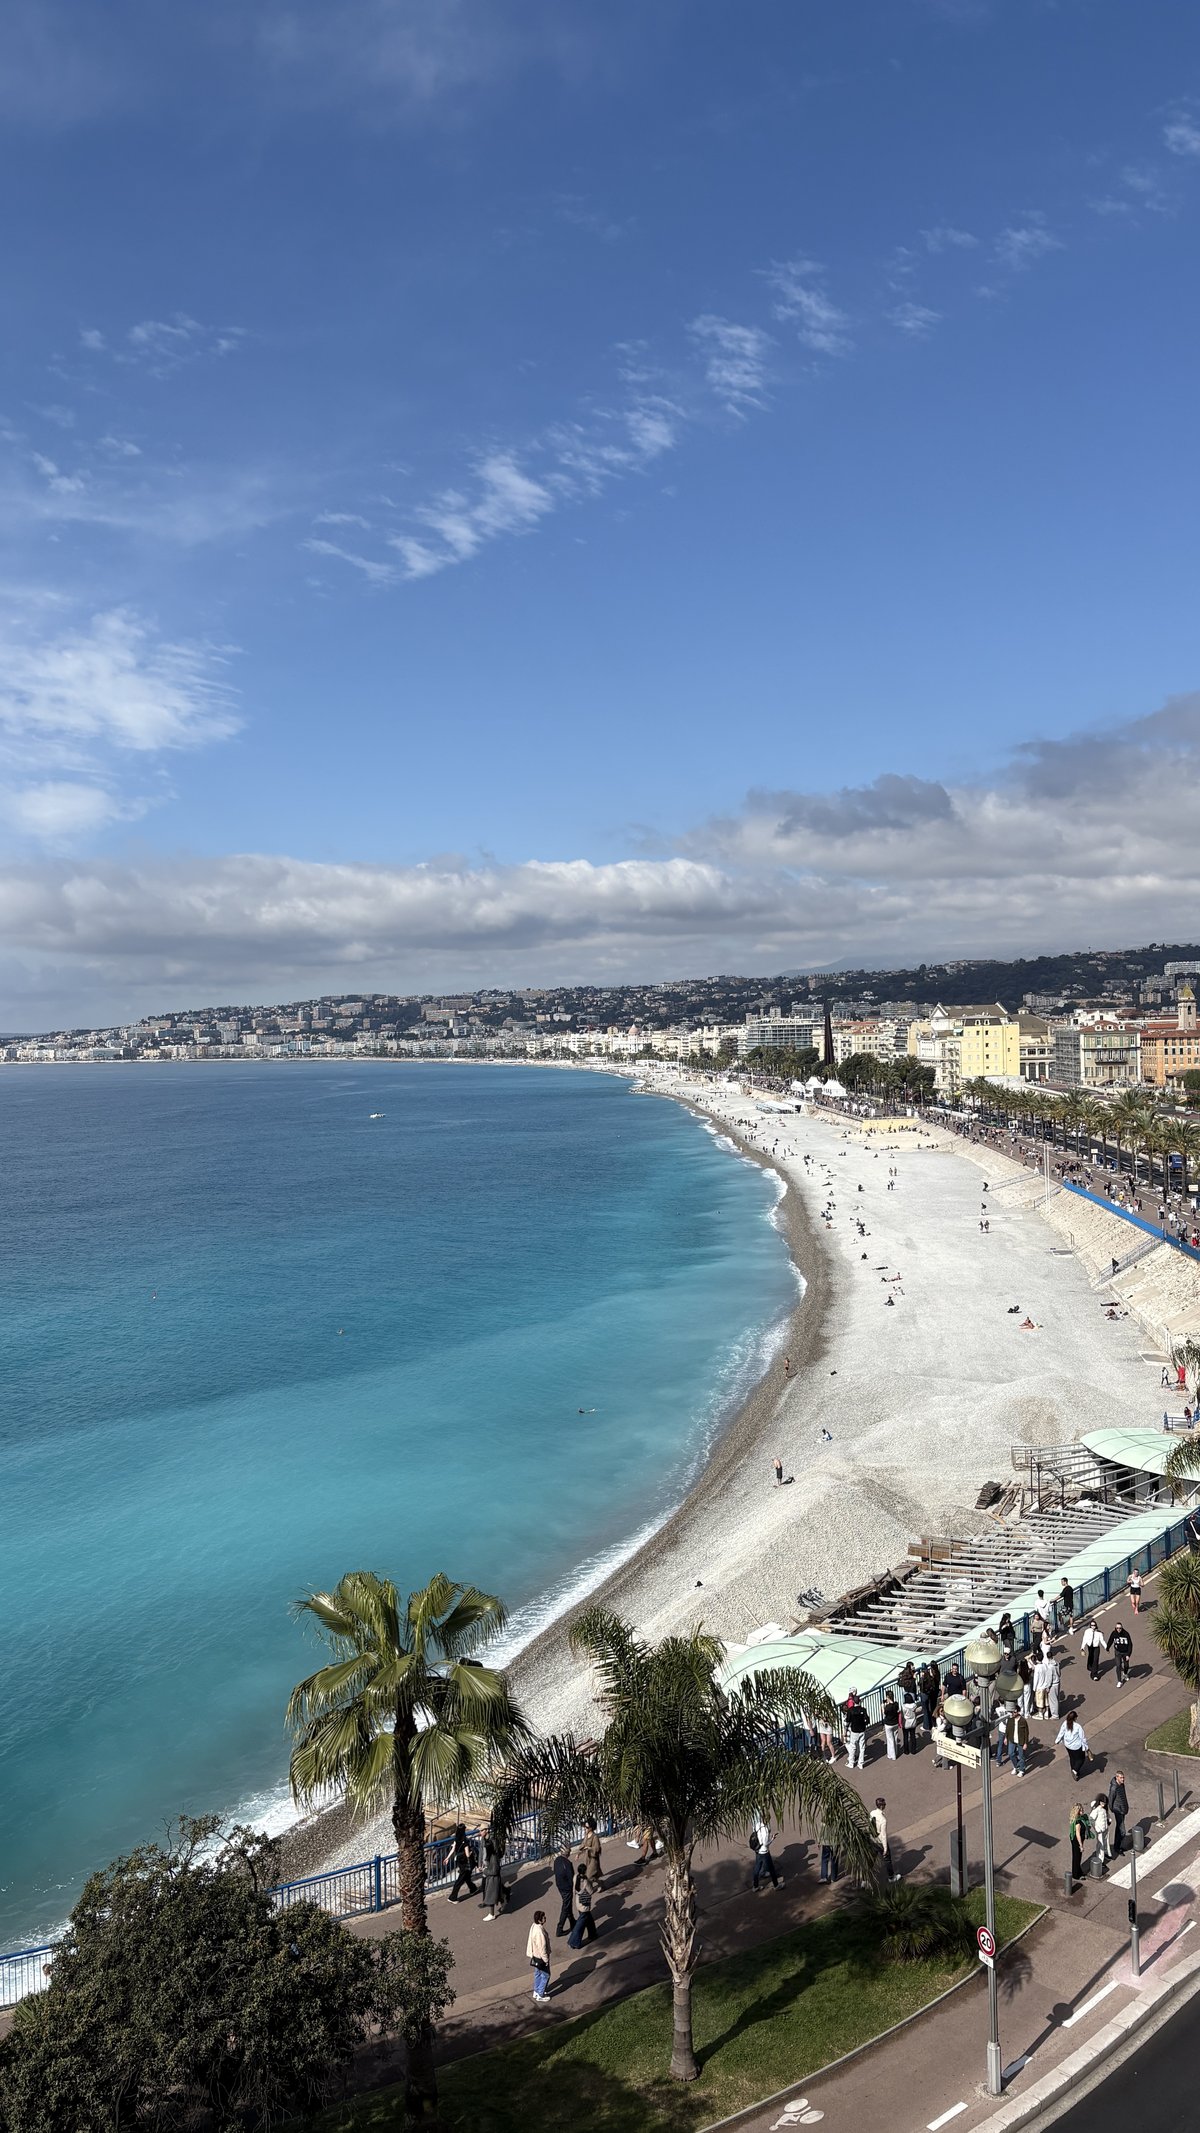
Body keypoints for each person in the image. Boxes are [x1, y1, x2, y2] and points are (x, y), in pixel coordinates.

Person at [567, 1865, 597, 1946]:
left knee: (589, 1920)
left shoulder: (575, 1877)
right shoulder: (585, 1881)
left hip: (578, 1901)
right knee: (580, 1924)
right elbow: (590, 1891)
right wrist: (594, 1886)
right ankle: (574, 1941)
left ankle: (593, 1934)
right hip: (584, 1904)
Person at [751, 1813, 783, 1890]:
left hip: (758, 1850)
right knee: (771, 1869)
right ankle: (776, 1885)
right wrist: (772, 1839)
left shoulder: (758, 1825)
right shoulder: (765, 1829)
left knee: (757, 1868)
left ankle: (755, 1886)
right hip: (764, 1852)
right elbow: (765, 1844)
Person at [447, 1823, 477, 1903]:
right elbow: (467, 1854)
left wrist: (447, 1858)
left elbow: (453, 1849)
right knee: (460, 1879)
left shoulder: (456, 1839)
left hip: (459, 1861)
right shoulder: (465, 1841)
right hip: (465, 1862)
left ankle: (473, 1888)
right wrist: (471, 1852)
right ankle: (452, 1897)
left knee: (466, 1876)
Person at [481, 1829, 507, 1920]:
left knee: (491, 1896)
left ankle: (492, 1914)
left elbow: (494, 1871)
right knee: (496, 1893)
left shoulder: (493, 1857)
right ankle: (504, 1900)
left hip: (493, 1878)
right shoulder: (494, 1855)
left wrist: (485, 1871)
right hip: (493, 1878)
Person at [526, 1910, 552, 2001]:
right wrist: (546, 1960)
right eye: (543, 1917)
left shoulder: (534, 1926)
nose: (545, 1918)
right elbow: (542, 1948)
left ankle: (536, 1991)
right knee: (546, 1975)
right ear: (540, 1920)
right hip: (541, 1957)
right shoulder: (539, 1932)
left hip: (535, 1956)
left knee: (538, 1973)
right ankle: (540, 1994)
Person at [1056, 1713, 1091, 1780]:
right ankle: (1075, 1770)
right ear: (1075, 1718)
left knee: (1072, 1757)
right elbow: (1082, 1738)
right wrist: (1086, 1747)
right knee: (1081, 1759)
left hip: (1067, 1745)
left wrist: (1057, 1740)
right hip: (1076, 1746)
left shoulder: (1065, 1723)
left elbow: (1061, 1732)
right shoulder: (1078, 1726)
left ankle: (1074, 1770)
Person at [871, 1798, 897, 1882]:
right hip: (880, 1842)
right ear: (882, 1806)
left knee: (871, 1859)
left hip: (872, 1840)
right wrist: (885, 1848)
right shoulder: (883, 1820)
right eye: (884, 1804)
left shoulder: (872, 1813)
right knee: (887, 1860)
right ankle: (891, 1877)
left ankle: (864, 1879)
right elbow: (883, 1835)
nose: (885, 1805)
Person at [553, 1845, 576, 1937]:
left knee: (567, 1904)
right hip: (566, 1888)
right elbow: (571, 1878)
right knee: (566, 1907)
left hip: (560, 1886)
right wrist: (574, 1888)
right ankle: (560, 1928)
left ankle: (572, 1922)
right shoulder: (568, 1864)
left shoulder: (557, 1860)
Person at [844, 1693, 869, 1769]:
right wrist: (864, 1724)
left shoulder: (850, 1710)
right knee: (862, 1747)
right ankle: (860, 1764)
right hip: (862, 1730)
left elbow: (847, 1721)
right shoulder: (863, 1710)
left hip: (854, 1731)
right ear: (859, 1701)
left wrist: (846, 1730)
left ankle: (851, 1763)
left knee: (853, 1747)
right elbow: (867, 1720)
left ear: (853, 1702)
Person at [1108, 1771, 1130, 1856]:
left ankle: (1118, 1846)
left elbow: (1124, 1796)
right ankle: (1117, 1847)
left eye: (1123, 1777)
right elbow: (1110, 1799)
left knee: (1119, 1828)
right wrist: (1112, 1809)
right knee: (1122, 1831)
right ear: (1117, 1777)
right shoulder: (1114, 1788)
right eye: (1121, 1778)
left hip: (1122, 1809)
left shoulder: (1122, 1785)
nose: (1123, 1779)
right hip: (1118, 1810)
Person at [1107, 1619, 1134, 1686]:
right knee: (1118, 1665)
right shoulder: (1114, 1633)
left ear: (1122, 1628)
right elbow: (1110, 1640)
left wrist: (1128, 1654)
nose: (1118, 1629)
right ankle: (1119, 1681)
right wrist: (1107, 1648)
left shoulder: (1126, 1634)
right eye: (1117, 1628)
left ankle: (1125, 1673)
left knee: (1126, 1665)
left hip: (1125, 1652)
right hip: (1118, 1652)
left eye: (1120, 1628)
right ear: (1115, 1628)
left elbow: (1130, 1645)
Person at [1068, 1803, 1089, 1885]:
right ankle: (1076, 1874)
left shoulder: (1080, 1818)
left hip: (1078, 1839)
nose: (1082, 1811)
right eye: (1080, 1810)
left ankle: (1078, 1871)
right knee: (1076, 1857)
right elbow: (1078, 1834)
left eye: (1082, 1809)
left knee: (1078, 1856)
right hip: (1076, 1841)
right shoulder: (1078, 1822)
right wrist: (1081, 1845)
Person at [580, 1818, 603, 1890]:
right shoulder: (586, 1835)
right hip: (587, 1858)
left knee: (589, 1875)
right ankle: (591, 1888)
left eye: (587, 1827)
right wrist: (579, 1853)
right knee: (587, 1874)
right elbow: (583, 1844)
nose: (585, 1828)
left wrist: (589, 1848)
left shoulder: (595, 1837)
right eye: (585, 1826)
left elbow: (597, 1848)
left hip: (593, 1859)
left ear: (591, 1828)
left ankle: (599, 1882)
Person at [1090, 1793, 1111, 1871]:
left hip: (1105, 1828)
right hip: (1100, 1830)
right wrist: (1096, 1828)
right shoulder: (1097, 1810)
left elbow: (1107, 1815)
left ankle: (1105, 1854)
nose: (1103, 1804)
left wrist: (1109, 1819)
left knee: (1105, 1842)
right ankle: (1100, 1860)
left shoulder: (1104, 1809)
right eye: (1102, 1802)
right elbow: (1091, 1819)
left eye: (1104, 1803)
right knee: (1100, 1844)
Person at [882, 1690, 902, 1761]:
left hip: (888, 1724)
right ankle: (894, 1753)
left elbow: (884, 1714)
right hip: (895, 1723)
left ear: (887, 1697)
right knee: (895, 1738)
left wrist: (882, 1707)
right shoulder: (896, 1704)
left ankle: (892, 1755)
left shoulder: (887, 1707)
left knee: (890, 1740)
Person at [1010, 1707, 1030, 1777]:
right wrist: (1006, 1738)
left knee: (1021, 1756)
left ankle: (1022, 1770)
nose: (1013, 1713)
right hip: (1012, 1740)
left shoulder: (1023, 1721)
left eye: (1014, 1712)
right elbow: (1008, 1729)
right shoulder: (1011, 1720)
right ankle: (1016, 1766)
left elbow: (1026, 1733)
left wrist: (1025, 1743)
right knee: (1011, 1754)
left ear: (1018, 1712)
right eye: (1012, 1712)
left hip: (1020, 1741)